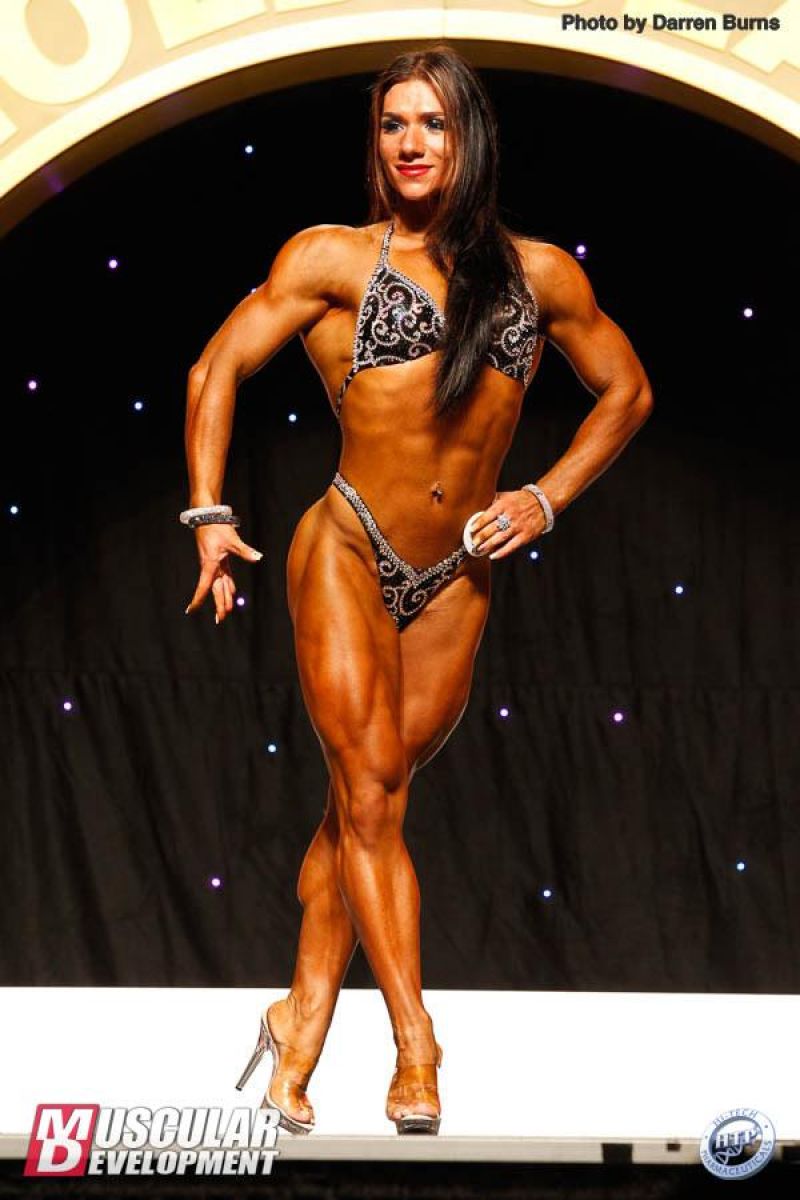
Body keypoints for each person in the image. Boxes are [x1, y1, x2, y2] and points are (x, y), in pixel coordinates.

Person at [182, 45, 653, 1136]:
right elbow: (215, 369)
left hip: (455, 577)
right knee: (368, 797)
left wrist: (543, 498)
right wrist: (207, 514)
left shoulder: (540, 275)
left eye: (432, 123)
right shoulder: (332, 258)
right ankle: (415, 1045)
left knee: (368, 804)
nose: (410, 141)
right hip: (345, 549)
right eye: (393, 122)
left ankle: (296, 1020)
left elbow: (625, 391)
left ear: (467, 135)